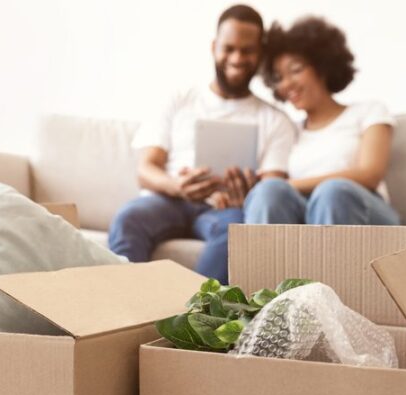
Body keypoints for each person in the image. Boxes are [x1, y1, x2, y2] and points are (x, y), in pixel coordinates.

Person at [108, 4, 294, 284]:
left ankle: (191, 319)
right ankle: (124, 315)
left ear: (261, 53)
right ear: (214, 47)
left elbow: (271, 191)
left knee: (235, 233)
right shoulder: (179, 99)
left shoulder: (275, 120)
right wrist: (177, 186)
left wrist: (246, 193)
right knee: (129, 218)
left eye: (247, 50)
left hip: (226, 209)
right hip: (169, 199)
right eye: (228, 48)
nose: (237, 58)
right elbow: (146, 169)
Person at [241, 16, 401, 227]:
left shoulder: (369, 111)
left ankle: (330, 260)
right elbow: (272, 190)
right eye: (279, 77)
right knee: (269, 191)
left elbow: (370, 174)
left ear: (322, 66)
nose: (287, 83)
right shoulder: (288, 131)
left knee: (333, 191)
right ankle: (265, 261)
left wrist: (291, 185)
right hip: (306, 215)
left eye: (296, 70)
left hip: (364, 210)